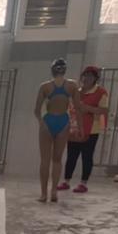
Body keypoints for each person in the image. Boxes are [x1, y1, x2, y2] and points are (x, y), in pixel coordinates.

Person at [34, 58, 79, 203]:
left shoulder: (45, 86)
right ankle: (54, 192)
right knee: (57, 160)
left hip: (48, 122)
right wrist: (77, 126)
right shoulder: (72, 85)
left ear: (52, 70)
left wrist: (41, 122)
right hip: (63, 122)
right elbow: (78, 108)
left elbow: (36, 110)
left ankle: (43, 194)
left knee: (45, 160)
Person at [59, 66, 109, 194]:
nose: (87, 78)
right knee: (71, 156)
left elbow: (104, 111)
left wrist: (87, 108)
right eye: (85, 75)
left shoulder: (101, 92)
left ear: (95, 79)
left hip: (91, 130)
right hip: (75, 129)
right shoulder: (77, 91)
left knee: (87, 157)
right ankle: (66, 181)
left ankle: (83, 183)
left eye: (90, 76)